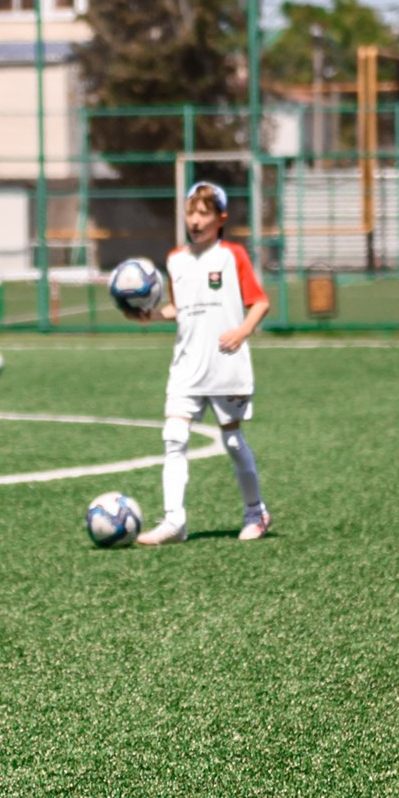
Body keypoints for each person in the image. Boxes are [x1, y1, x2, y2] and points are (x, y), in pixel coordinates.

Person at [133, 181, 272, 545]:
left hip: (225, 364)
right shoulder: (175, 258)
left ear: (220, 218)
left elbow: (259, 302)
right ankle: (174, 522)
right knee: (174, 437)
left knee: (232, 441)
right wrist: (152, 313)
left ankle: (256, 512)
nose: (195, 220)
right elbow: (180, 307)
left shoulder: (233, 256)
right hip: (186, 365)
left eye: (204, 213)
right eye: (191, 212)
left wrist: (242, 331)